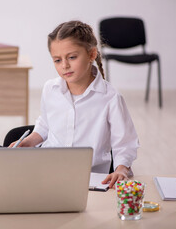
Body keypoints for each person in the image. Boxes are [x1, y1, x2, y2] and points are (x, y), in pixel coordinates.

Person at [9, 20, 139, 188]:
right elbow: (45, 126)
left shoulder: (111, 98)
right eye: (57, 60)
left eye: (72, 57)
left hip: (90, 180)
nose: (65, 65)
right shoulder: (50, 89)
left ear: (92, 55)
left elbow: (125, 144)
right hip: (47, 173)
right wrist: (28, 141)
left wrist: (121, 169)